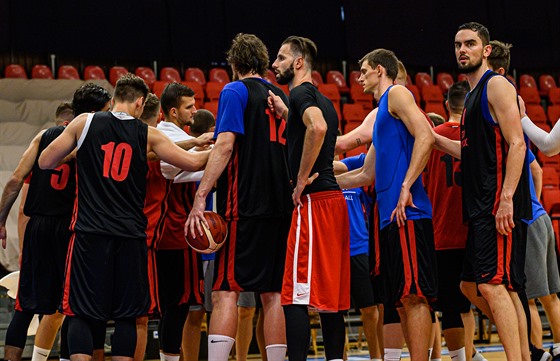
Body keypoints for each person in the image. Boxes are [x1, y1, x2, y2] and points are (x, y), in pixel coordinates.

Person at [38, 73, 209, 361]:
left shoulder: (85, 122)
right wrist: (223, 147)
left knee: (80, 310)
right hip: (130, 237)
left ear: (115, 96)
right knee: (129, 316)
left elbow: (45, 161)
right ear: (141, 103)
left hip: (89, 234)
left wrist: (79, 153)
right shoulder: (148, 134)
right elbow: (193, 163)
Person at [185, 33, 292, 361]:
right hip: (280, 204)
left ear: (234, 64)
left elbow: (226, 143)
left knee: (225, 291)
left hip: (244, 204)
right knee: (273, 294)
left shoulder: (235, 90)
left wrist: (201, 195)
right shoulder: (280, 94)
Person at [434, 22, 532, 360]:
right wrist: (431, 138)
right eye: (458, 44)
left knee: (493, 285)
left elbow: (517, 144)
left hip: (496, 205)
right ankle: (523, 350)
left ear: (486, 50)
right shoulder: (473, 96)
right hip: (478, 207)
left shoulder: (497, 86)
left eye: (471, 44)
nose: (463, 49)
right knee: (470, 286)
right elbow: (473, 152)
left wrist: (505, 199)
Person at [334, 48, 436, 361]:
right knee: (403, 300)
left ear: (380, 70)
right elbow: (366, 173)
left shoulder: (396, 94)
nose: (359, 77)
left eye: (364, 70)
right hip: (390, 218)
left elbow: (426, 135)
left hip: (408, 212)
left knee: (415, 297)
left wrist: (406, 186)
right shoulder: (381, 113)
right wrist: (321, 183)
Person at [0, 84, 111, 361]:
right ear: (95, 112)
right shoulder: (93, 141)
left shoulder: (43, 136)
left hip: (39, 227)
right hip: (71, 230)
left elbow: (14, 181)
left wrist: (1, 221)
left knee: (24, 308)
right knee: (73, 306)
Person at [268, 35, 350, 361]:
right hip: (332, 203)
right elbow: (313, 123)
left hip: (314, 203)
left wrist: (300, 178)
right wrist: (286, 112)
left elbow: (315, 128)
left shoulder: (301, 92)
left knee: (294, 296)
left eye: (281, 57)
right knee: (330, 299)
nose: (275, 64)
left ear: (298, 62)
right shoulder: (322, 99)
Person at [489, 39, 560, 361]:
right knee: (547, 296)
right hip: (538, 214)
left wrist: (520, 117)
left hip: (530, 217)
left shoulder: (503, 122)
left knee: (528, 296)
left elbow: (542, 150)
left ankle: (536, 353)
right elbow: (543, 153)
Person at [424, 80, 489, 361]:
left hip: (442, 231)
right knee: (470, 303)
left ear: (447, 104)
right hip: (474, 229)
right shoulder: (477, 136)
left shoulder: (431, 137)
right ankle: (475, 354)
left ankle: (461, 358)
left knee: (451, 306)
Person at [156, 82, 210, 361]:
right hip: (176, 232)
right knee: (178, 306)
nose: (195, 110)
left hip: (171, 231)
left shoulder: (172, 135)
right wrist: (222, 150)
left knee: (175, 306)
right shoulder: (166, 135)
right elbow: (182, 168)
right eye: (190, 106)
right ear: (174, 111)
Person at [334, 154, 381, 361]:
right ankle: (339, 357)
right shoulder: (317, 176)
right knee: (335, 311)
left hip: (359, 249)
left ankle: (375, 357)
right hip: (332, 253)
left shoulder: (354, 170)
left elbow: (369, 158)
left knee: (370, 309)